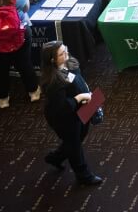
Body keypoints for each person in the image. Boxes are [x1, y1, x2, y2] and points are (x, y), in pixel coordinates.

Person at [39, 40, 104, 186]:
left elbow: (78, 80)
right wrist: (80, 97)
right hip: (64, 117)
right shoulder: (52, 81)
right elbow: (62, 107)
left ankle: (55, 157)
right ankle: (83, 175)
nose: (66, 53)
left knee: (78, 137)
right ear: (52, 60)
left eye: (65, 49)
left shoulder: (69, 63)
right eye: (62, 53)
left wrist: (87, 95)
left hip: (82, 107)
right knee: (74, 145)